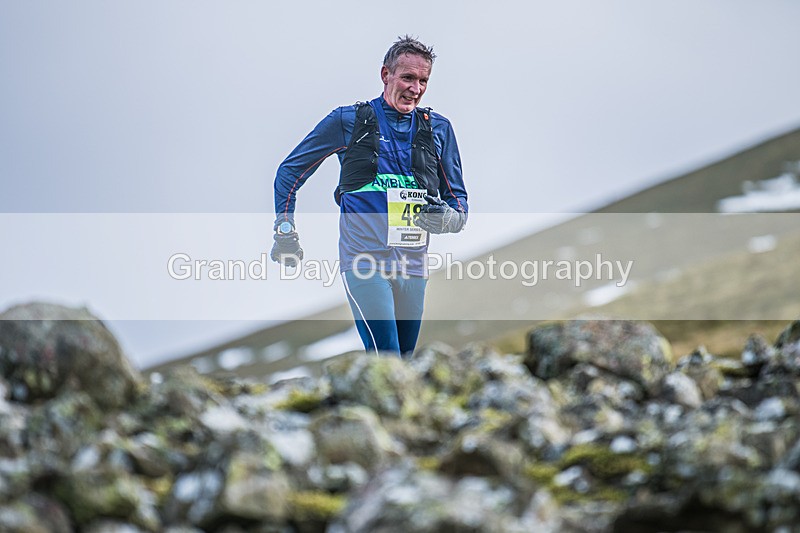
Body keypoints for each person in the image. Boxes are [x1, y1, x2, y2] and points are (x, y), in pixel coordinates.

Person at [271, 35, 468, 357]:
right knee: (385, 358)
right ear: (385, 75)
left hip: (413, 265)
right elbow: (289, 172)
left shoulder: (438, 129)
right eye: (407, 77)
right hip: (364, 262)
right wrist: (284, 229)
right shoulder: (347, 121)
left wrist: (450, 219)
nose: (415, 89)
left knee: (404, 364)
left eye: (423, 81)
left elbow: (458, 200)